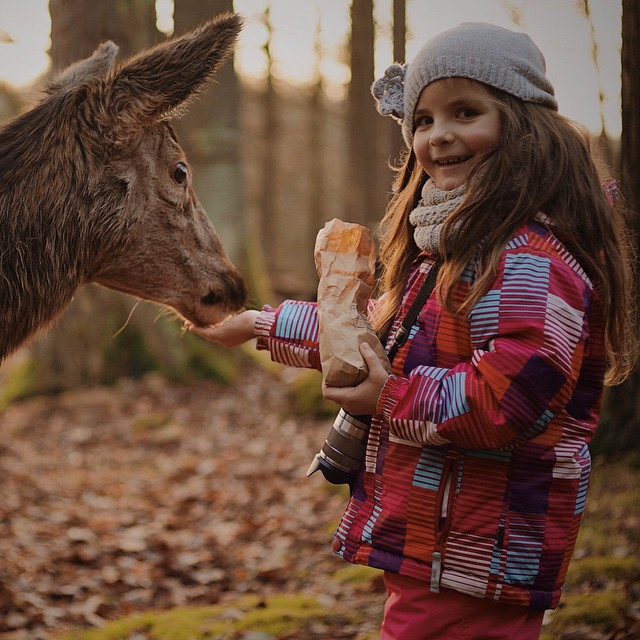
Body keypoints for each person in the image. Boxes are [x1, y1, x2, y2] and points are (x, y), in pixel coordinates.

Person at [186, 22, 637, 640]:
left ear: (524, 122)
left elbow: (513, 395)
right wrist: (259, 325)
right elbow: (376, 337)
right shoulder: (449, 247)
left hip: (484, 545)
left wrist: (389, 399)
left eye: (465, 111)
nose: (439, 134)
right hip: (439, 538)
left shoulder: (530, 256)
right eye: (422, 119)